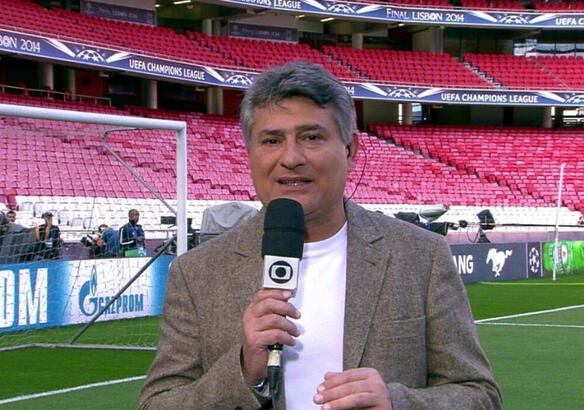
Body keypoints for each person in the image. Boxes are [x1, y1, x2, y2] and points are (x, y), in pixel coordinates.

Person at [139, 62, 502, 409]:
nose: (291, 157)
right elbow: (158, 403)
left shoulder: (421, 257)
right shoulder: (198, 273)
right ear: (250, 153)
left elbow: (479, 395)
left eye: (311, 137)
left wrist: (398, 402)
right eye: (271, 140)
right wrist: (243, 372)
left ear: (350, 149)